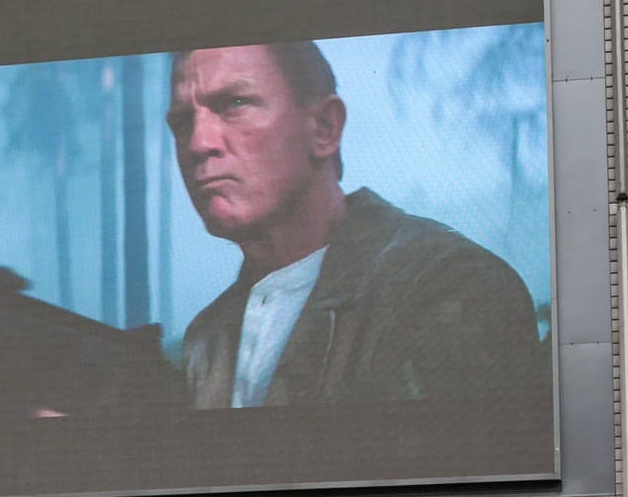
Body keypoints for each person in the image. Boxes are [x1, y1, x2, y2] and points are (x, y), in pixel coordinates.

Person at [167, 42, 545, 410]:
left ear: (324, 128)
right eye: (182, 122)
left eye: (234, 104)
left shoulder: (451, 286)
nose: (199, 143)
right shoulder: (207, 336)